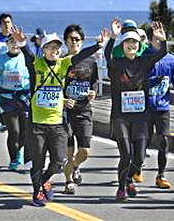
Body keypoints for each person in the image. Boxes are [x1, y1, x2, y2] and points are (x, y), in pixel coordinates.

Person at [10, 25, 108, 207]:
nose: (54, 50)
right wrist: (22, 42)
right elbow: (27, 53)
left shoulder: (64, 63)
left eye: (57, 47)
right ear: (43, 50)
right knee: (38, 163)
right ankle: (37, 192)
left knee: (59, 161)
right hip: (37, 123)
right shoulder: (36, 64)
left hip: (58, 123)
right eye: (50, 46)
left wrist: (98, 45)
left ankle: (44, 181)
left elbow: (79, 56)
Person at [105, 18, 167, 203]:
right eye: (127, 42)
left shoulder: (144, 62)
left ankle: (129, 177)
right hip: (120, 117)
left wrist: (161, 39)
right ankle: (121, 187)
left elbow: (162, 52)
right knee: (126, 154)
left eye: (134, 42)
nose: (131, 44)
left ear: (139, 45)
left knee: (139, 158)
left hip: (141, 116)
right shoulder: (116, 63)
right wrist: (113, 38)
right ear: (123, 45)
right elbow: (107, 55)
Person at [62, 24, 99, 194]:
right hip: (66, 112)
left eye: (77, 39)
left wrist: (94, 92)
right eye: (71, 39)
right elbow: (54, 86)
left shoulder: (91, 62)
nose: (74, 42)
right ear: (65, 42)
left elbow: (95, 82)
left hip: (84, 110)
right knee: (68, 152)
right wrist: (63, 100)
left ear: (82, 42)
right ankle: (69, 181)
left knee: (85, 151)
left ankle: (75, 166)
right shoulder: (61, 62)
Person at [0, 35, 30, 171]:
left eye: (17, 41)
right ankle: (13, 158)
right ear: (6, 44)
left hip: (25, 98)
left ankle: (20, 150)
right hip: (7, 99)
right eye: (11, 42)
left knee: (24, 131)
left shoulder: (27, 59)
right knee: (14, 130)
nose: (15, 44)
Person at [145, 26, 174, 189]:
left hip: (163, 107)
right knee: (143, 140)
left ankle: (160, 175)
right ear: (150, 40)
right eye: (156, 38)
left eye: (162, 38)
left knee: (163, 140)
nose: (159, 41)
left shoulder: (171, 59)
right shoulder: (142, 57)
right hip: (144, 108)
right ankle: (136, 169)